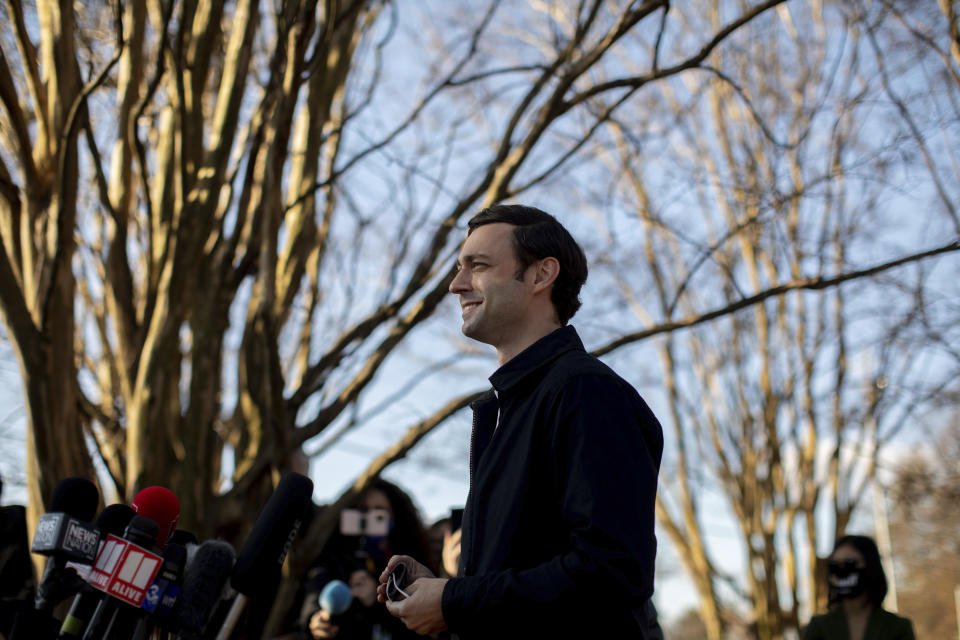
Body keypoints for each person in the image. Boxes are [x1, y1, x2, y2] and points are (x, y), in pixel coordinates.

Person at [376, 204, 664, 638]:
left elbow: (611, 572)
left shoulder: (586, 392)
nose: (456, 285)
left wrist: (454, 602)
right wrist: (444, 588)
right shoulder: (509, 409)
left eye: (478, 266)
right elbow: (529, 577)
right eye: (459, 268)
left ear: (540, 275)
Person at [299, 478, 435, 640]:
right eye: (363, 509)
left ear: (395, 517)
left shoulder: (409, 567)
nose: (370, 517)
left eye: (379, 511)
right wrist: (314, 618)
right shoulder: (333, 557)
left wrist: (378, 600)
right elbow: (314, 589)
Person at [803, 535, 915, 640]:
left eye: (849, 563)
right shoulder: (818, 627)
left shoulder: (897, 627)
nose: (841, 570)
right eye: (835, 565)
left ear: (870, 567)